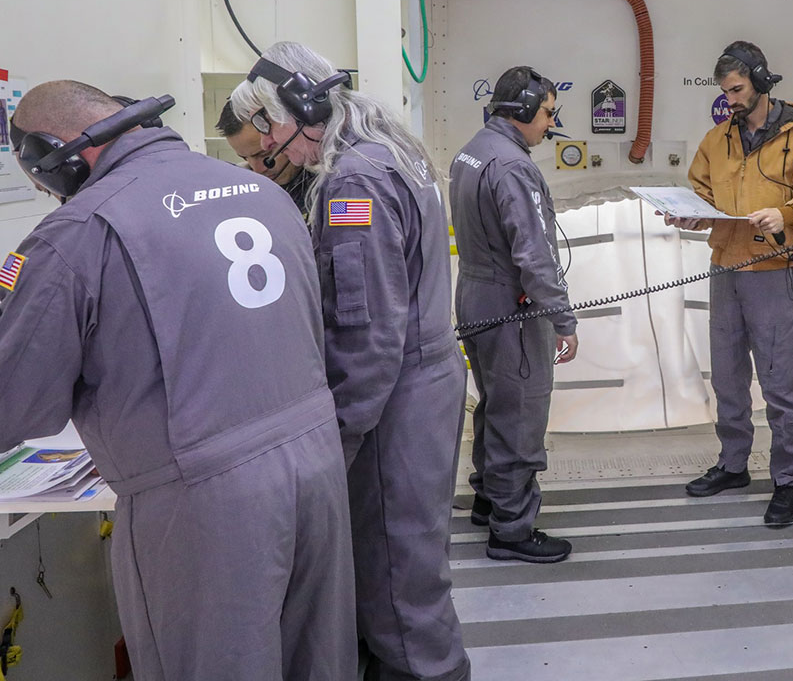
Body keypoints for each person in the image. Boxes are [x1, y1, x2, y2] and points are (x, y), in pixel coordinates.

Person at [0, 81, 355, 680]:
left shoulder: (78, 233)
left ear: (53, 156)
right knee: (317, 660)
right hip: (317, 465)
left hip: (205, 502)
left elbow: (15, 406)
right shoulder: (265, 193)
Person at [231, 42, 469, 681]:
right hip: (422, 382)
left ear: (296, 114)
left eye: (264, 136)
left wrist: (333, 441)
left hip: (395, 403)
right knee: (406, 560)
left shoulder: (352, 182)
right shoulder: (387, 151)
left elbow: (368, 336)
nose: (266, 154)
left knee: (398, 582)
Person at [666, 41, 793, 527]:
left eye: (739, 89)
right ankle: (733, 464)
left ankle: (787, 480)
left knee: (781, 386)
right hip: (725, 273)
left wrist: (786, 214)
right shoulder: (716, 140)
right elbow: (703, 195)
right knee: (727, 378)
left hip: (771, 273)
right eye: (726, 92)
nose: (731, 100)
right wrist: (692, 216)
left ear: (762, 81)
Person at [450, 65, 578, 564]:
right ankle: (512, 528)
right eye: (547, 113)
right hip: (512, 310)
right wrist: (563, 319)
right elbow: (535, 256)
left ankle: (488, 498)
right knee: (520, 415)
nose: (550, 123)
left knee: (493, 405)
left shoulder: (473, 150)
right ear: (523, 109)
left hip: (476, 299)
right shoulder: (514, 167)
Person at [216, 98, 316, 214]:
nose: (258, 169)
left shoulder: (336, 183)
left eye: (264, 154)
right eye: (245, 158)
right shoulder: (239, 190)